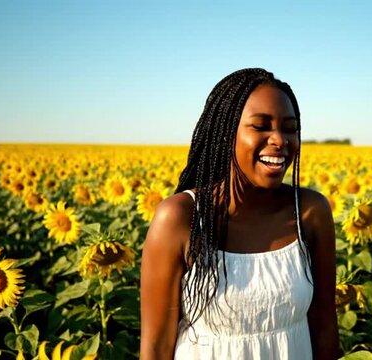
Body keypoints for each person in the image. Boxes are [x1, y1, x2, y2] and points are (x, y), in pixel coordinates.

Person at [140, 68, 339, 359]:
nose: (280, 140)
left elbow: (324, 326)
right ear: (225, 133)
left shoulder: (310, 212)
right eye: (261, 126)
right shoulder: (181, 217)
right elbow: (157, 346)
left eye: (290, 128)